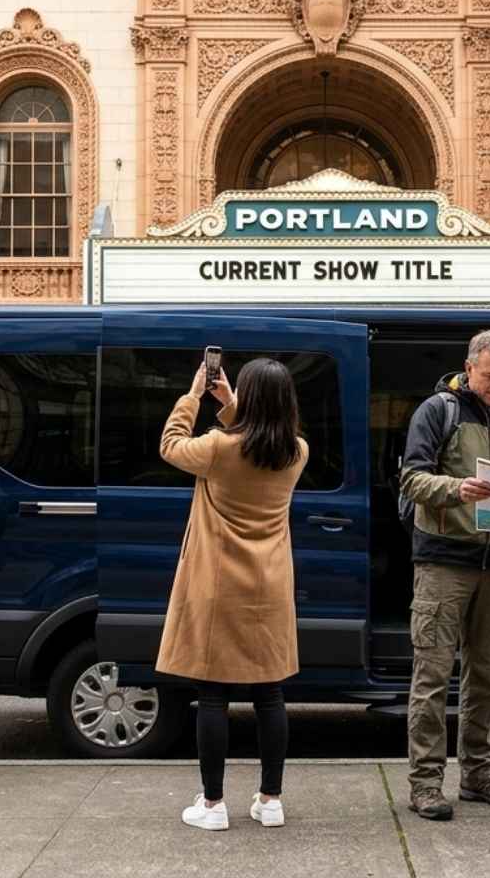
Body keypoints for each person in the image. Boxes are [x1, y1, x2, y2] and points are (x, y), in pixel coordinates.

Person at [156, 357, 308, 832]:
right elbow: (260, 438)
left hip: (218, 584)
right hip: (271, 585)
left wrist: (196, 395)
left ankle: (214, 803)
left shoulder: (218, 448)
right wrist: (234, 405)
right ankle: (270, 799)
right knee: (269, 692)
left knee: (214, 694)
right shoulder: (296, 451)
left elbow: (170, 445)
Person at [398, 330, 490, 820]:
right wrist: (458, 488)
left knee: (485, 678)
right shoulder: (438, 410)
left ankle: (478, 775)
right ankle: (426, 784)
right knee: (432, 677)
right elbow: (411, 478)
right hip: (442, 562)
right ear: (469, 367)